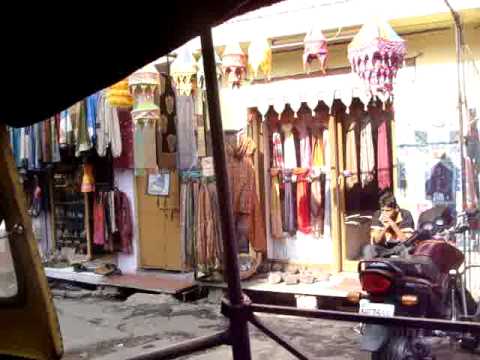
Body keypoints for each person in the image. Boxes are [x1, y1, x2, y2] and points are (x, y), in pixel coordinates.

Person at [363, 190, 415, 259]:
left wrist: (393, 225)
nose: (384, 213)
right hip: (384, 248)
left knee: (409, 249)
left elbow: (407, 241)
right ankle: (372, 269)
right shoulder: (378, 214)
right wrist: (385, 228)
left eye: (388, 211)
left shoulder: (405, 214)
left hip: (400, 247)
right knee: (368, 249)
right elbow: (376, 241)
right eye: (382, 210)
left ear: (396, 209)